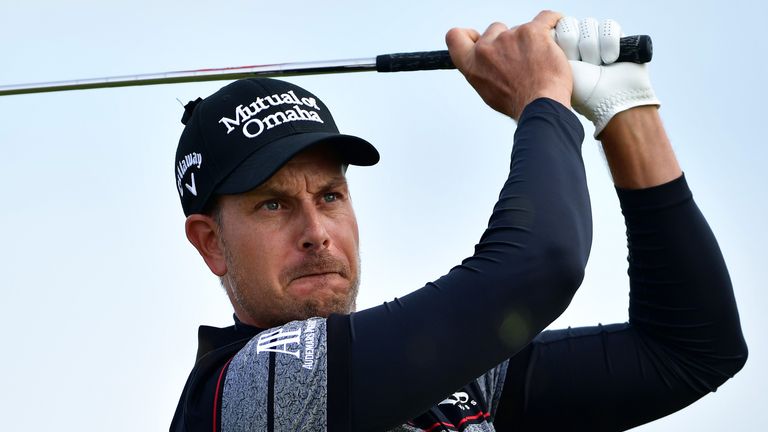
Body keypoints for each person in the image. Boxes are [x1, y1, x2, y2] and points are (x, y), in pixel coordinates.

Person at [170, 11, 747, 432]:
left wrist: (625, 111)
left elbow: (690, 351)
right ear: (210, 243)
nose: (316, 232)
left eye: (330, 196)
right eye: (273, 205)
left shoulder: (449, 384)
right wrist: (543, 100)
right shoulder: (243, 390)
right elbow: (539, 265)